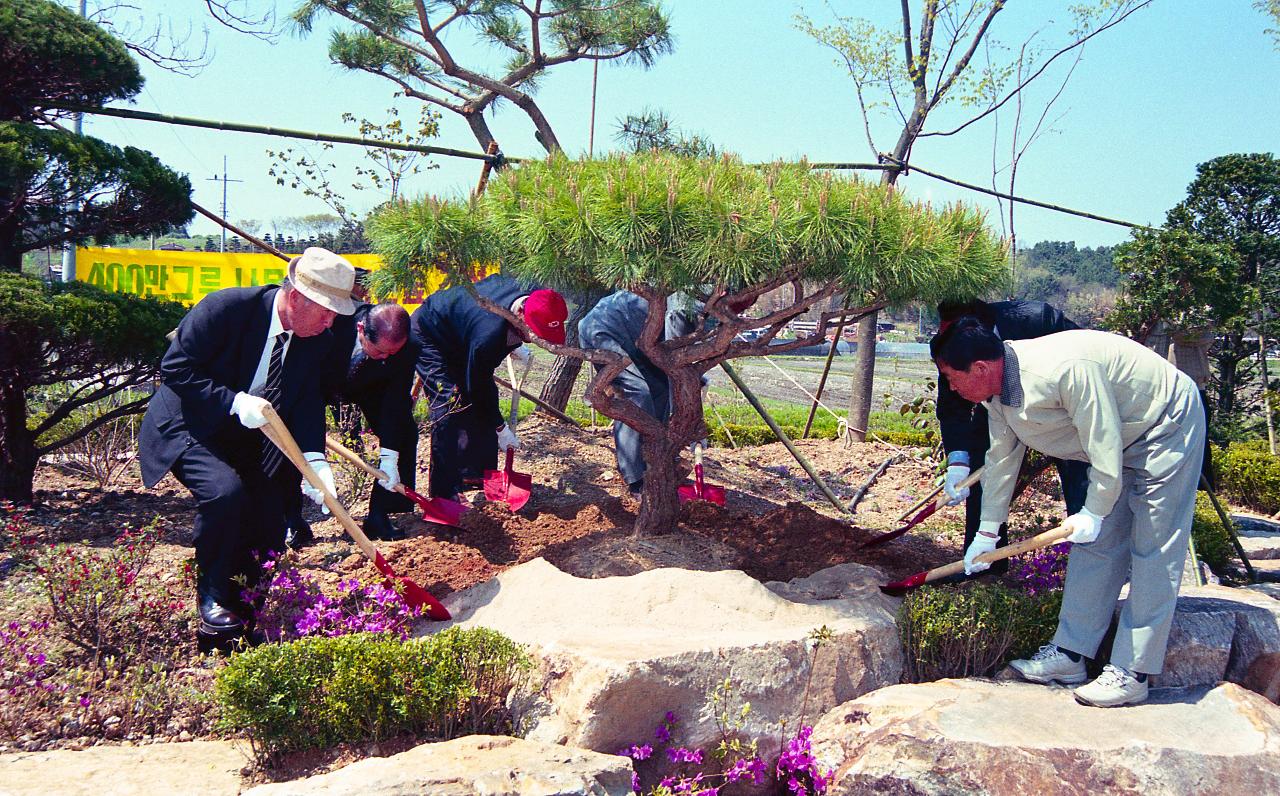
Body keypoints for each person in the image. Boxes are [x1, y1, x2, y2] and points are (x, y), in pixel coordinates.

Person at [934, 320, 1206, 707]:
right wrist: (988, 531)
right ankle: (1071, 654)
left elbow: (1103, 440)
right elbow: (1000, 460)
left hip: (1163, 424)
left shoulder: (1065, 368)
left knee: (1154, 546)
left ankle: (1133, 671)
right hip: (1118, 440)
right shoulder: (997, 389)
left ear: (979, 368)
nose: (951, 387)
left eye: (950, 377)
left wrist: (1094, 510)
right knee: (1095, 543)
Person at [138, 247, 356, 652]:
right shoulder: (228, 308)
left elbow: (308, 397)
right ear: (295, 297)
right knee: (225, 494)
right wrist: (234, 401)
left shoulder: (316, 338)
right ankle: (214, 598)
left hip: (245, 433)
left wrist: (314, 458)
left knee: (271, 515)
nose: (331, 322)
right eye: (326, 310)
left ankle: (243, 614)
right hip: (192, 421)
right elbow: (176, 368)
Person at [932, 299, 1088, 575]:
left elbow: (1085, 363)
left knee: (1081, 478)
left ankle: (1090, 553)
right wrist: (958, 463)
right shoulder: (953, 346)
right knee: (989, 466)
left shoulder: (1036, 320)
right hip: (995, 404)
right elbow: (951, 404)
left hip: (1067, 413)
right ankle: (984, 559)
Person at [410, 274, 568, 502]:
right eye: (532, 332)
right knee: (449, 404)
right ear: (520, 315)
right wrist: (501, 428)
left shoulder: (537, 293)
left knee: (486, 401)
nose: (535, 339)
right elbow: (477, 385)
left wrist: (514, 343)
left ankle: (474, 475)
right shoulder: (489, 334)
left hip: (464, 331)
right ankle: (444, 492)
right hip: (431, 333)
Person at [284, 301, 418, 547]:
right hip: (319, 383)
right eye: (379, 351)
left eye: (392, 353)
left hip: (370, 386)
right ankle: (292, 520)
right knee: (292, 437)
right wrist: (313, 452)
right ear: (360, 330)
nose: (386, 357)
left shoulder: (406, 347)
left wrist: (389, 456)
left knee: (405, 433)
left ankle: (380, 514)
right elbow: (305, 379)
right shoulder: (332, 323)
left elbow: (395, 402)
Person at [577, 291, 703, 496]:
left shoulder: (712, 306)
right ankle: (635, 478)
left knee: (660, 390)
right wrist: (693, 418)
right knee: (637, 394)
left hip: (635, 337)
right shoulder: (685, 308)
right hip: (604, 329)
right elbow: (675, 362)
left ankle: (657, 465)